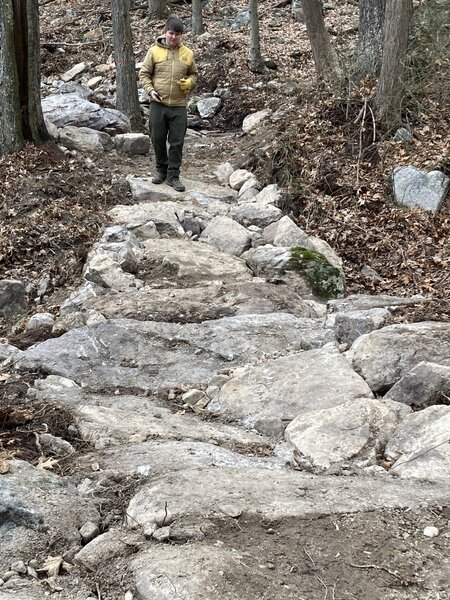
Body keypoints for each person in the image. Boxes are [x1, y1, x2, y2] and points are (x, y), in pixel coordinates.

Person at [139, 16, 198, 193]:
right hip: (158, 103)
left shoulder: (188, 53)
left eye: (177, 34)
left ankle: (173, 175)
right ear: (165, 32)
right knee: (157, 139)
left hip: (179, 105)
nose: (173, 37)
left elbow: (194, 74)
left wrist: (189, 83)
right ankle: (161, 170)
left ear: (181, 35)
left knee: (177, 142)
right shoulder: (154, 51)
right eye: (171, 33)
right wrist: (150, 91)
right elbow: (144, 74)